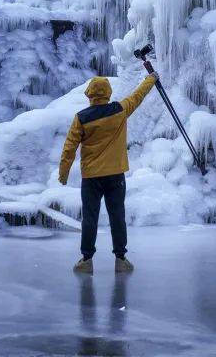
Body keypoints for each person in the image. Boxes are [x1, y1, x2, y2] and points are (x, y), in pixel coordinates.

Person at [59, 72, 157, 274]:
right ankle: (121, 260)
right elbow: (138, 95)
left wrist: (63, 174)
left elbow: (69, 147)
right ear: (108, 93)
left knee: (90, 218)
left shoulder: (81, 118)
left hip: (91, 177)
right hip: (115, 175)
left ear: (89, 95)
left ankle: (86, 260)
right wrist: (152, 79)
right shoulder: (120, 110)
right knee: (117, 216)